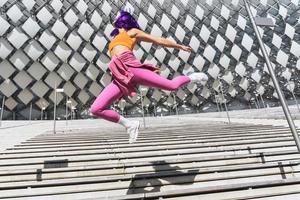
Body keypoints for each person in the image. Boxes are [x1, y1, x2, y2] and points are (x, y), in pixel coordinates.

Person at [90, 10, 208, 143]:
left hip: (132, 67)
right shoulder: (115, 37)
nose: (113, 18)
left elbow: (158, 40)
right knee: (96, 109)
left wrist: (179, 46)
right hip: (120, 73)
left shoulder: (132, 32)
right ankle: (130, 125)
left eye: (116, 16)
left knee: (171, 86)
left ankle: (193, 77)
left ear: (123, 19)